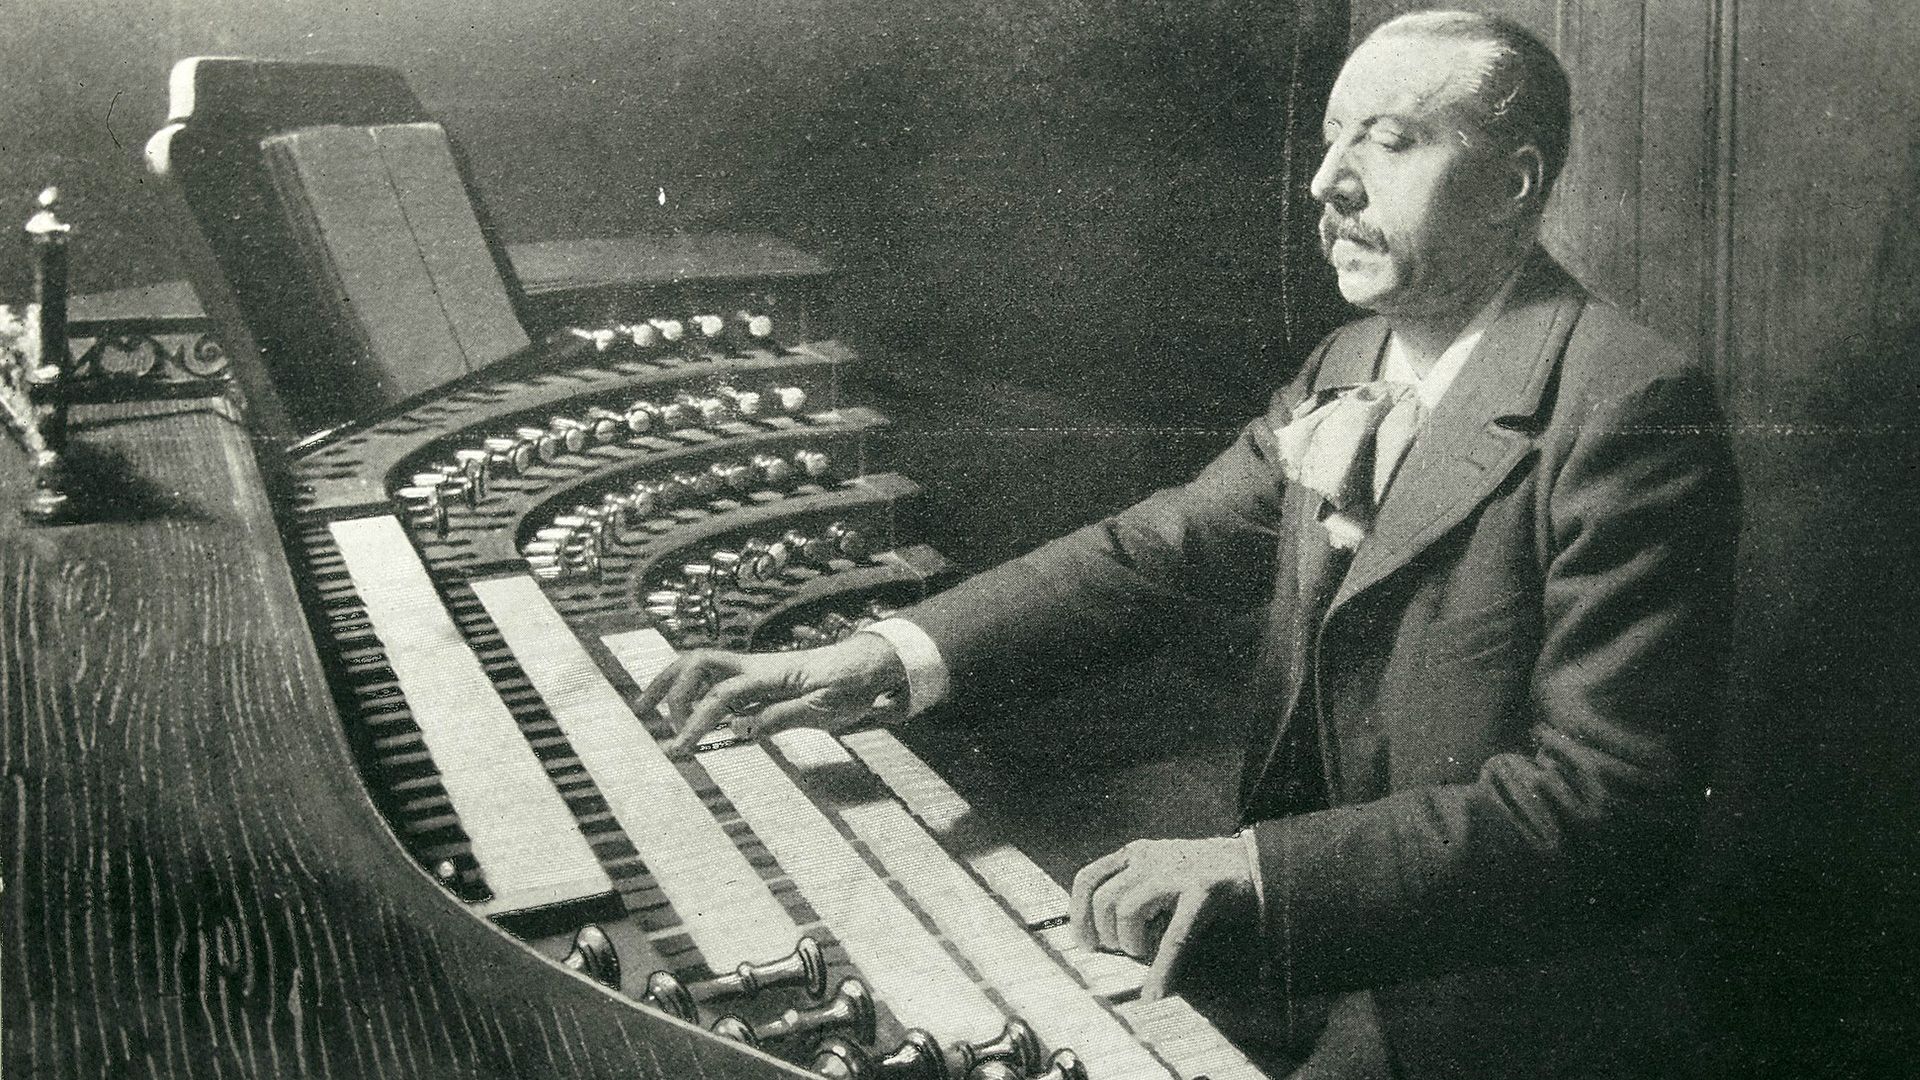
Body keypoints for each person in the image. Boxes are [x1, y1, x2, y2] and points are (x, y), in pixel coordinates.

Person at [639, 11, 1739, 1078]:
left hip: (1488, 1011)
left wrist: (1256, 871)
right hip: (1313, 958)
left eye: (1391, 143)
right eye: (1330, 142)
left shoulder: (1629, 405)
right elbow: (1160, 550)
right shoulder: (1352, 361)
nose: (1330, 185)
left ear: (1513, 186)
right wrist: (886, 656)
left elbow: (1604, 811)